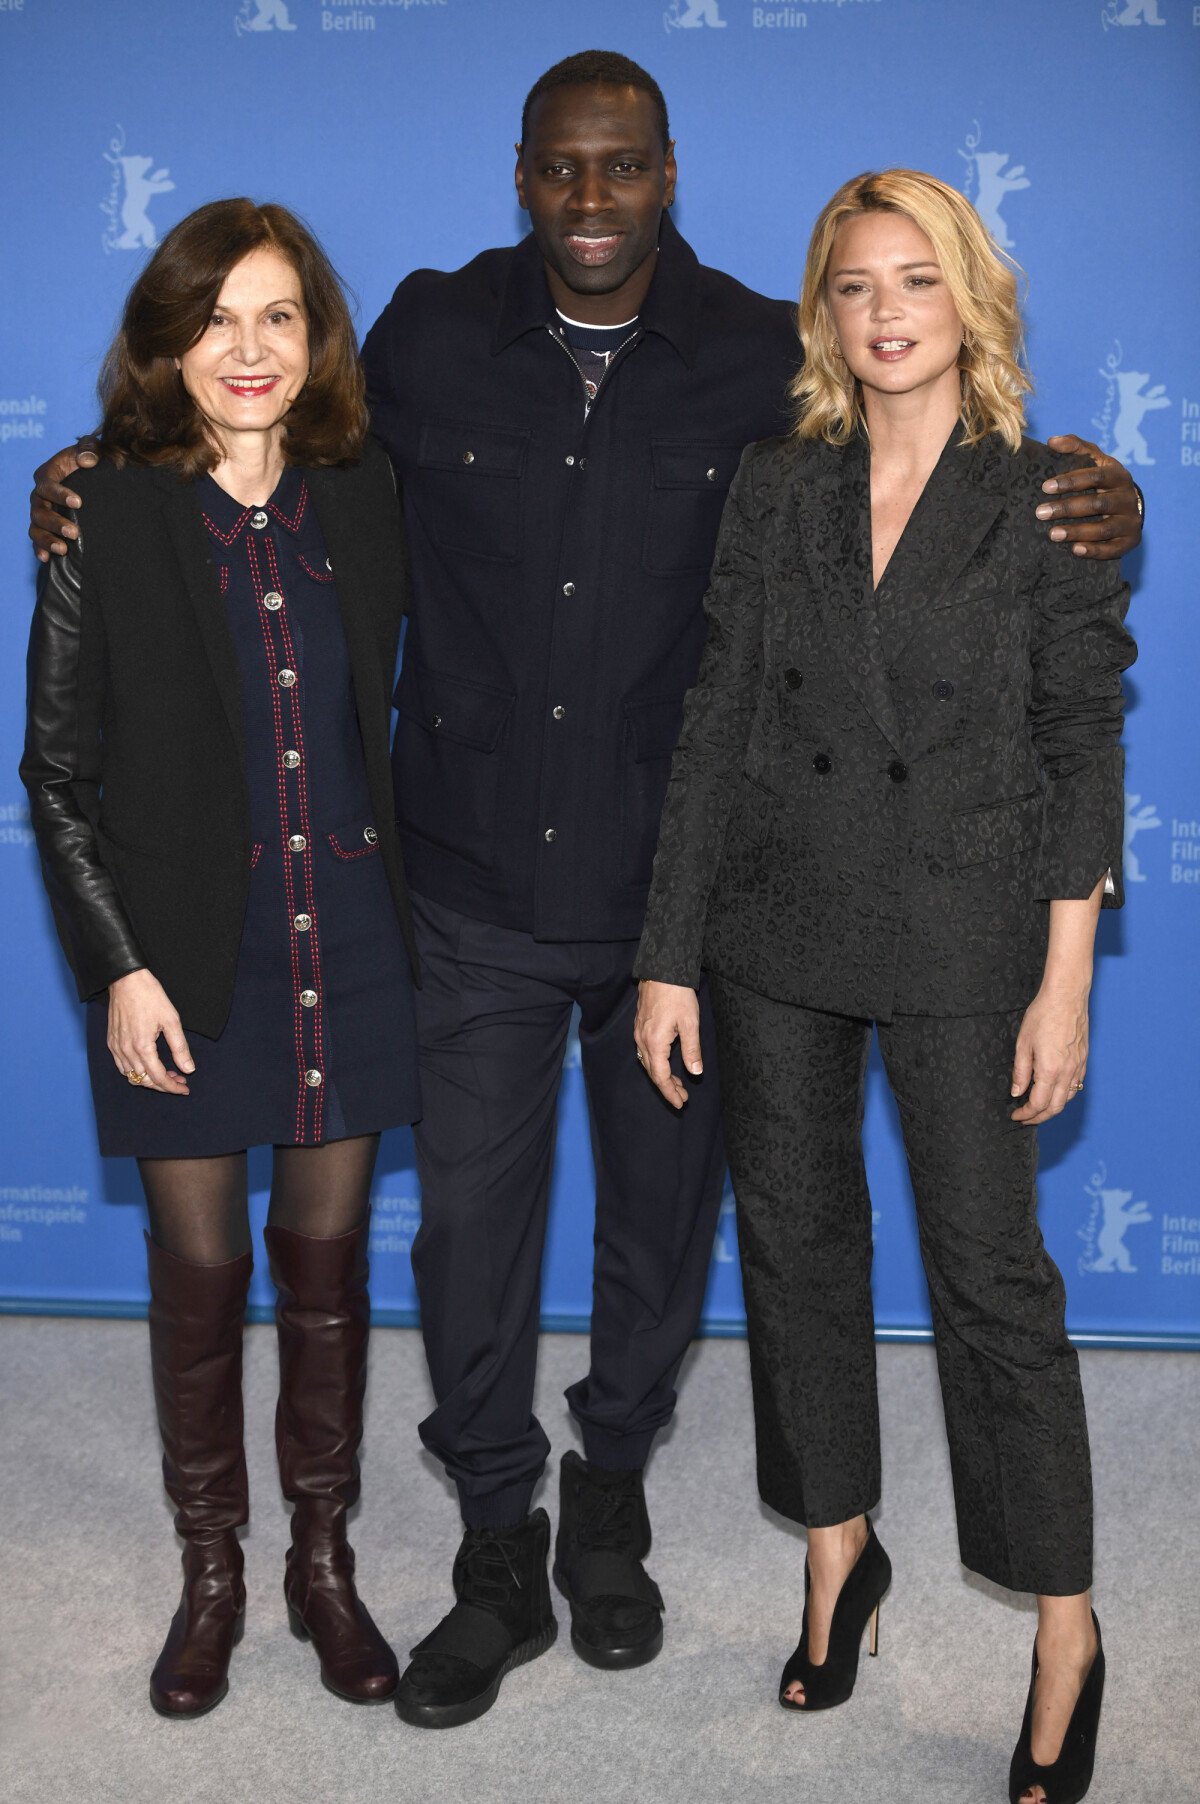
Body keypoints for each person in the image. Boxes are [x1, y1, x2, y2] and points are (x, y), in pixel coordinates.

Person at [28, 52, 1144, 1732]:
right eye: (564, 168)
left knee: (661, 1236)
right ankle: (497, 1536)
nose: (594, 198)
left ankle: (609, 1495)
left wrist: (1094, 492)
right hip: (465, 888)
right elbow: (269, 445)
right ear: (524, 176)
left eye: (624, 167)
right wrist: (90, 487)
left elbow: (906, 465)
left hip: (685, 911)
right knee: (469, 1242)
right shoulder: (421, 336)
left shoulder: (771, 357)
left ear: (670, 172)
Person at [633, 168, 1135, 1803]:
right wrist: (668, 952)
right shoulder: (779, 483)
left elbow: (1078, 745)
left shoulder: (1049, 495)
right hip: (775, 919)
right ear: (823, 314)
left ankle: (1065, 1626)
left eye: (916, 278)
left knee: (994, 1287)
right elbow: (715, 723)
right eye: (855, 285)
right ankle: (838, 1546)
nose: (886, 311)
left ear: (968, 299)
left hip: (960, 931)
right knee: (796, 1247)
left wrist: (1064, 980)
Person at [21, 199, 420, 1719]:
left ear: (317, 340)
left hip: (355, 942)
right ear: (167, 341)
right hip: (179, 962)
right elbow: (55, 776)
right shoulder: (99, 511)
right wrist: (117, 966)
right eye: (215, 318)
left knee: (325, 1276)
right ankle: (215, 1573)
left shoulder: (367, 493)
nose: (246, 349)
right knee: (200, 1273)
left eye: (279, 317)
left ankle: (325, 1561)